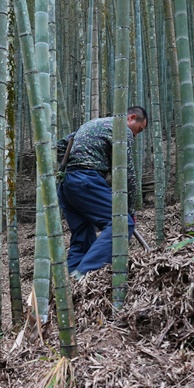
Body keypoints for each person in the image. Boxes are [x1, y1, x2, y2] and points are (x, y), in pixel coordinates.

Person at [58, 106, 148, 277]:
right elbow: (127, 174)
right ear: (131, 118)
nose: (136, 135)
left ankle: (69, 287)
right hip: (86, 180)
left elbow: (61, 146)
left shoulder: (93, 123)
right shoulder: (122, 130)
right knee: (122, 223)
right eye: (139, 130)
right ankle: (84, 275)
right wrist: (130, 210)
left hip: (66, 184)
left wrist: (74, 162)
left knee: (82, 236)